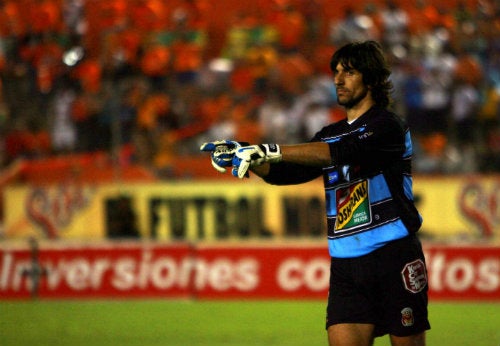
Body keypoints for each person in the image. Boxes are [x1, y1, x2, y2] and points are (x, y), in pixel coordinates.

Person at [200, 40, 430, 346]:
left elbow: (342, 152)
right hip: (346, 264)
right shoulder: (329, 134)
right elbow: (287, 173)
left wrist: (270, 149)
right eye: (335, 71)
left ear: (372, 78)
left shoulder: (388, 126)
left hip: (394, 256)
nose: (337, 79)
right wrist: (251, 158)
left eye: (348, 72)